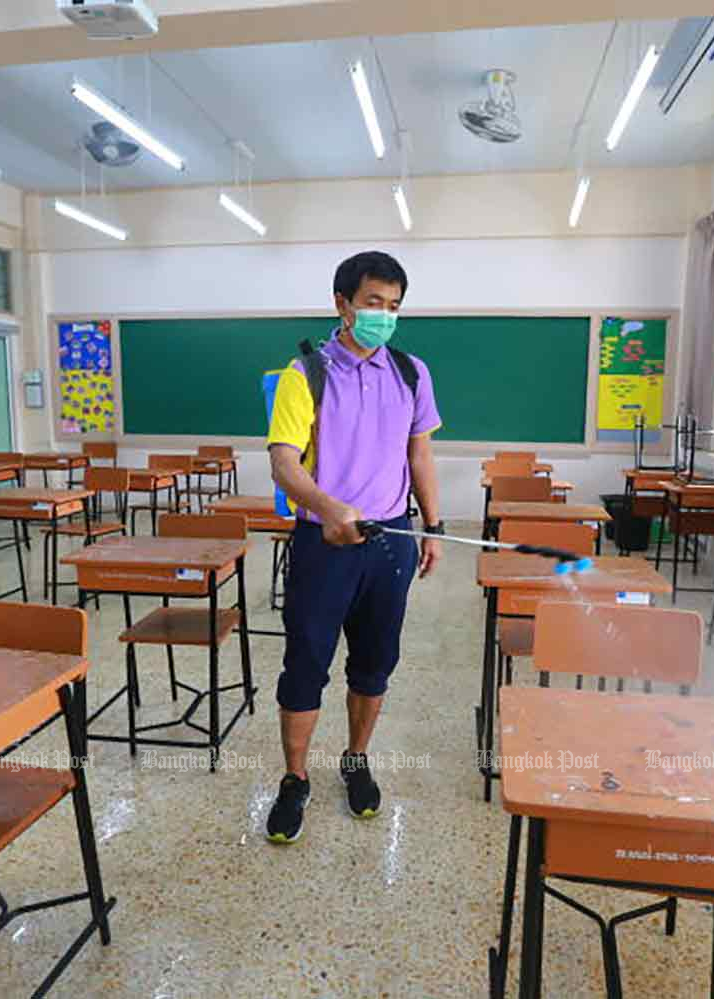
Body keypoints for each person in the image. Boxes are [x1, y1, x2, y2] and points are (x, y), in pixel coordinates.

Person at [263, 250, 443, 844]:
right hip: (323, 541)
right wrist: (328, 510)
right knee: (305, 666)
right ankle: (294, 780)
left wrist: (432, 525)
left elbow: (419, 453)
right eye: (373, 304)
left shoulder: (412, 372)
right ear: (342, 303)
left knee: (374, 665)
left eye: (393, 307)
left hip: (390, 541)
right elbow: (284, 465)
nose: (384, 317)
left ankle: (356, 759)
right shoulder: (305, 374)